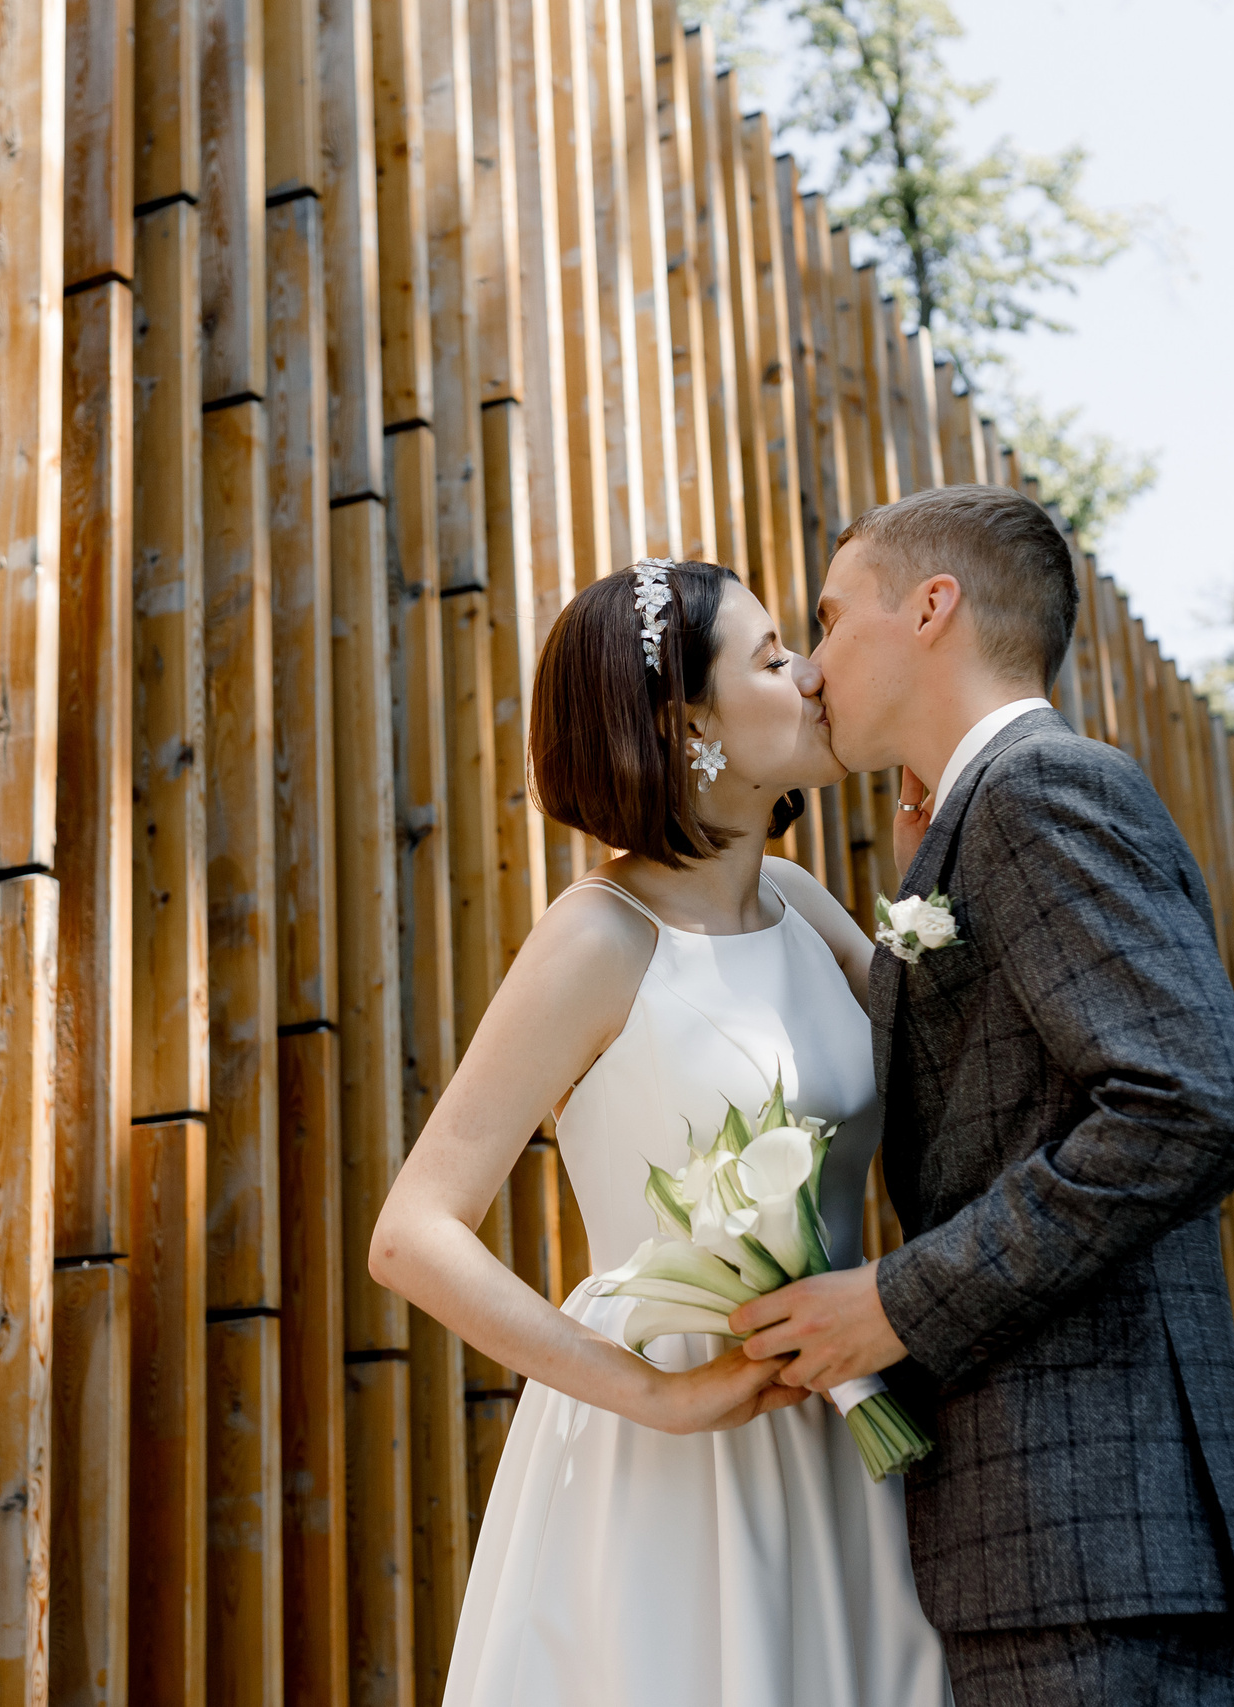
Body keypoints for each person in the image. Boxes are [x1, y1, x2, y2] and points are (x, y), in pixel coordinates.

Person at [730, 484, 1234, 1705]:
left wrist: (895, 1302)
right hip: (1058, 1546)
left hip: (1094, 1539)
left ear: (932, 608)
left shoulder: (1041, 790)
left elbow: (1191, 1102)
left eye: (827, 619)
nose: (813, 669)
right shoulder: (981, 813)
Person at [368, 559, 953, 1707]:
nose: (813, 676)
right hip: (675, 1448)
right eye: (775, 656)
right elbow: (411, 1234)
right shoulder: (598, 938)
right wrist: (659, 1395)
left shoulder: (806, 906)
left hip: (838, 1416)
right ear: (687, 722)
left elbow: (958, 1069)